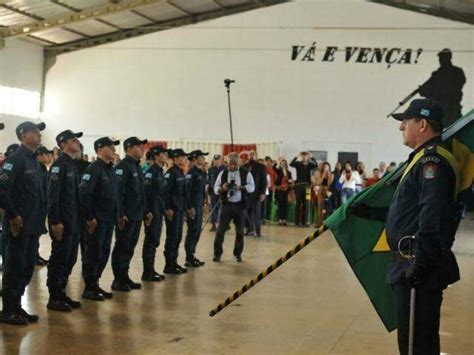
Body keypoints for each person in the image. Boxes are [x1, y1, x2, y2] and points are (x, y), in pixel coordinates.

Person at [387, 99, 460, 354]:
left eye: (406, 122)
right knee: (413, 340)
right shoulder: (420, 159)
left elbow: (432, 213)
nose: (401, 128)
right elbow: (412, 209)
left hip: (419, 265)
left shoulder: (432, 162)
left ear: (423, 124)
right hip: (411, 263)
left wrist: (420, 264)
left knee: (417, 344)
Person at [0, 121, 47, 325]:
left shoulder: (34, 161)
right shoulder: (15, 159)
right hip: (18, 225)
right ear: (22, 135)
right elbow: (2, 189)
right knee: (14, 267)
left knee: (27, 267)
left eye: (38, 132)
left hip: (33, 225)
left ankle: (17, 306)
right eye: (34, 132)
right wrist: (12, 215)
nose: (38, 134)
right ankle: (8, 310)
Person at [46, 130, 83, 312]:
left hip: (74, 221)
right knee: (59, 259)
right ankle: (54, 297)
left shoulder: (72, 164)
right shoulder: (59, 165)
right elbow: (53, 196)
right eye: (73, 139)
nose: (77, 142)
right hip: (63, 222)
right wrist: (55, 221)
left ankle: (61, 293)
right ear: (63, 144)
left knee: (69, 259)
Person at [79, 137, 120, 301]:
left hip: (108, 219)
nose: (114, 150)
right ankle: (89, 287)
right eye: (110, 147)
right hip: (97, 219)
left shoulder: (110, 169)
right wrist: (89, 217)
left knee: (103, 252)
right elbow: (84, 194)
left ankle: (95, 284)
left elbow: (114, 195)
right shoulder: (93, 169)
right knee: (93, 253)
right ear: (100, 149)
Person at [111, 137, 151, 292]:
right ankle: (118, 280)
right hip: (126, 216)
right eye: (139, 146)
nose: (142, 149)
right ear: (129, 148)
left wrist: (146, 212)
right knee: (122, 247)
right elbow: (118, 193)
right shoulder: (123, 167)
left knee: (129, 248)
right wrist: (120, 214)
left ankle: (124, 276)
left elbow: (140, 193)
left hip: (136, 215)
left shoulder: (136, 166)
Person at [213, 153, 255, 262]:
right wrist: (222, 188)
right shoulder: (223, 173)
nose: (232, 167)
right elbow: (215, 187)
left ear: (239, 163)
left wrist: (241, 187)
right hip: (226, 205)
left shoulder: (246, 173)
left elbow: (252, 187)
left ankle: (238, 253)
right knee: (220, 231)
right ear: (227, 163)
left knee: (240, 232)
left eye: (234, 164)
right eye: (230, 164)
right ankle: (217, 254)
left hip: (240, 206)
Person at [418, 49, 466, 127]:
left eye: (442, 58)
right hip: (439, 111)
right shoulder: (437, 74)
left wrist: (432, 92)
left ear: (448, 58)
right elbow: (427, 89)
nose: (440, 60)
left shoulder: (456, 71)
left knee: (457, 131)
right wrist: (424, 90)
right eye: (440, 58)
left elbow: (455, 88)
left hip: (451, 109)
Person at [142, 146, 169, 282]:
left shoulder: (160, 171)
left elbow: (161, 194)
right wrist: (147, 212)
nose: (166, 156)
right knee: (150, 241)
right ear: (156, 156)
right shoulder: (151, 172)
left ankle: (151, 270)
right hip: (152, 211)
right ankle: (147, 272)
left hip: (158, 210)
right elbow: (146, 194)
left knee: (155, 241)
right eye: (164, 154)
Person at [163, 149, 189, 275]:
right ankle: (169, 265)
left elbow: (183, 194)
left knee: (177, 237)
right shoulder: (171, 173)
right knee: (172, 238)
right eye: (183, 157)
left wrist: (185, 209)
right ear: (176, 158)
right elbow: (165, 192)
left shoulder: (180, 172)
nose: (185, 159)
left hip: (179, 209)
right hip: (172, 210)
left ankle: (174, 262)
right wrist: (167, 208)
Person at [184, 150, 208, 267]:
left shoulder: (202, 172)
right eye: (201, 157)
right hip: (193, 206)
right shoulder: (191, 172)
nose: (204, 159)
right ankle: (188, 257)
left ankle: (192, 254)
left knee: (197, 231)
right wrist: (189, 207)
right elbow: (187, 191)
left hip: (199, 205)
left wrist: (204, 204)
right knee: (192, 230)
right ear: (194, 159)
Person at [241, 151, 267, 237]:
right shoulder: (244, 166)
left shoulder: (261, 167)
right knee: (246, 212)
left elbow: (264, 181)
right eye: (250, 155)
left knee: (256, 213)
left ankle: (257, 230)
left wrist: (263, 193)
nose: (251, 156)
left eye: (253, 154)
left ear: (256, 156)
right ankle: (249, 229)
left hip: (256, 194)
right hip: (246, 194)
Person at [36, 145, 53, 266]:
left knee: (37, 234)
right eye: (47, 155)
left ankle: (34, 256)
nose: (49, 157)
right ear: (40, 155)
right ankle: (32, 257)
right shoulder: (36, 168)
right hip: (35, 206)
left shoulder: (42, 168)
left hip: (41, 206)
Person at [290, 152, 317, 226]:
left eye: (306, 156)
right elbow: (291, 164)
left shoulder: (310, 165)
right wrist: (296, 156)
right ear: (301, 157)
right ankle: (297, 222)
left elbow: (316, 165)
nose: (305, 158)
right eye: (303, 156)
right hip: (298, 186)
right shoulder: (298, 164)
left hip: (307, 186)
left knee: (306, 204)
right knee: (298, 204)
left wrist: (312, 157)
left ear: (307, 157)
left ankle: (304, 221)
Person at [207, 154, 225, 232]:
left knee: (222, 208)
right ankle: (214, 224)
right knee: (213, 208)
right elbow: (209, 180)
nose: (217, 161)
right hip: (213, 192)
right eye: (216, 160)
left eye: (218, 160)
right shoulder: (211, 169)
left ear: (221, 160)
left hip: (222, 191)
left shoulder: (224, 168)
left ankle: (223, 224)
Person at [274, 159, 293, 226]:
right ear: (280, 165)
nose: (283, 165)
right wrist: (276, 162)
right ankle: (280, 219)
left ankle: (284, 220)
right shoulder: (279, 171)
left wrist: (290, 185)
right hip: (279, 190)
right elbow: (273, 167)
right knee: (280, 205)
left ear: (286, 165)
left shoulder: (289, 172)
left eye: (284, 164)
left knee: (285, 206)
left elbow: (290, 181)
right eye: (282, 164)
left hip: (286, 191)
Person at [314, 162, 334, 226]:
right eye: (325, 167)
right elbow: (318, 182)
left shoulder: (331, 175)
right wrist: (323, 175)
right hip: (320, 190)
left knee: (326, 207)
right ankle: (319, 223)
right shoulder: (320, 174)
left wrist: (328, 175)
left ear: (329, 167)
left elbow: (329, 184)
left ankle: (326, 223)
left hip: (327, 192)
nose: (326, 168)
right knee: (320, 206)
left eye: (327, 167)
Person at [264, 156, 277, 222]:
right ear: (265, 161)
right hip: (265, 188)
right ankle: (264, 217)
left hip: (271, 188)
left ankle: (267, 218)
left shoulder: (272, 168)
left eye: (269, 161)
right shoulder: (264, 168)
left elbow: (275, 177)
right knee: (265, 203)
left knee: (269, 203)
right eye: (267, 161)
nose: (268, 162)